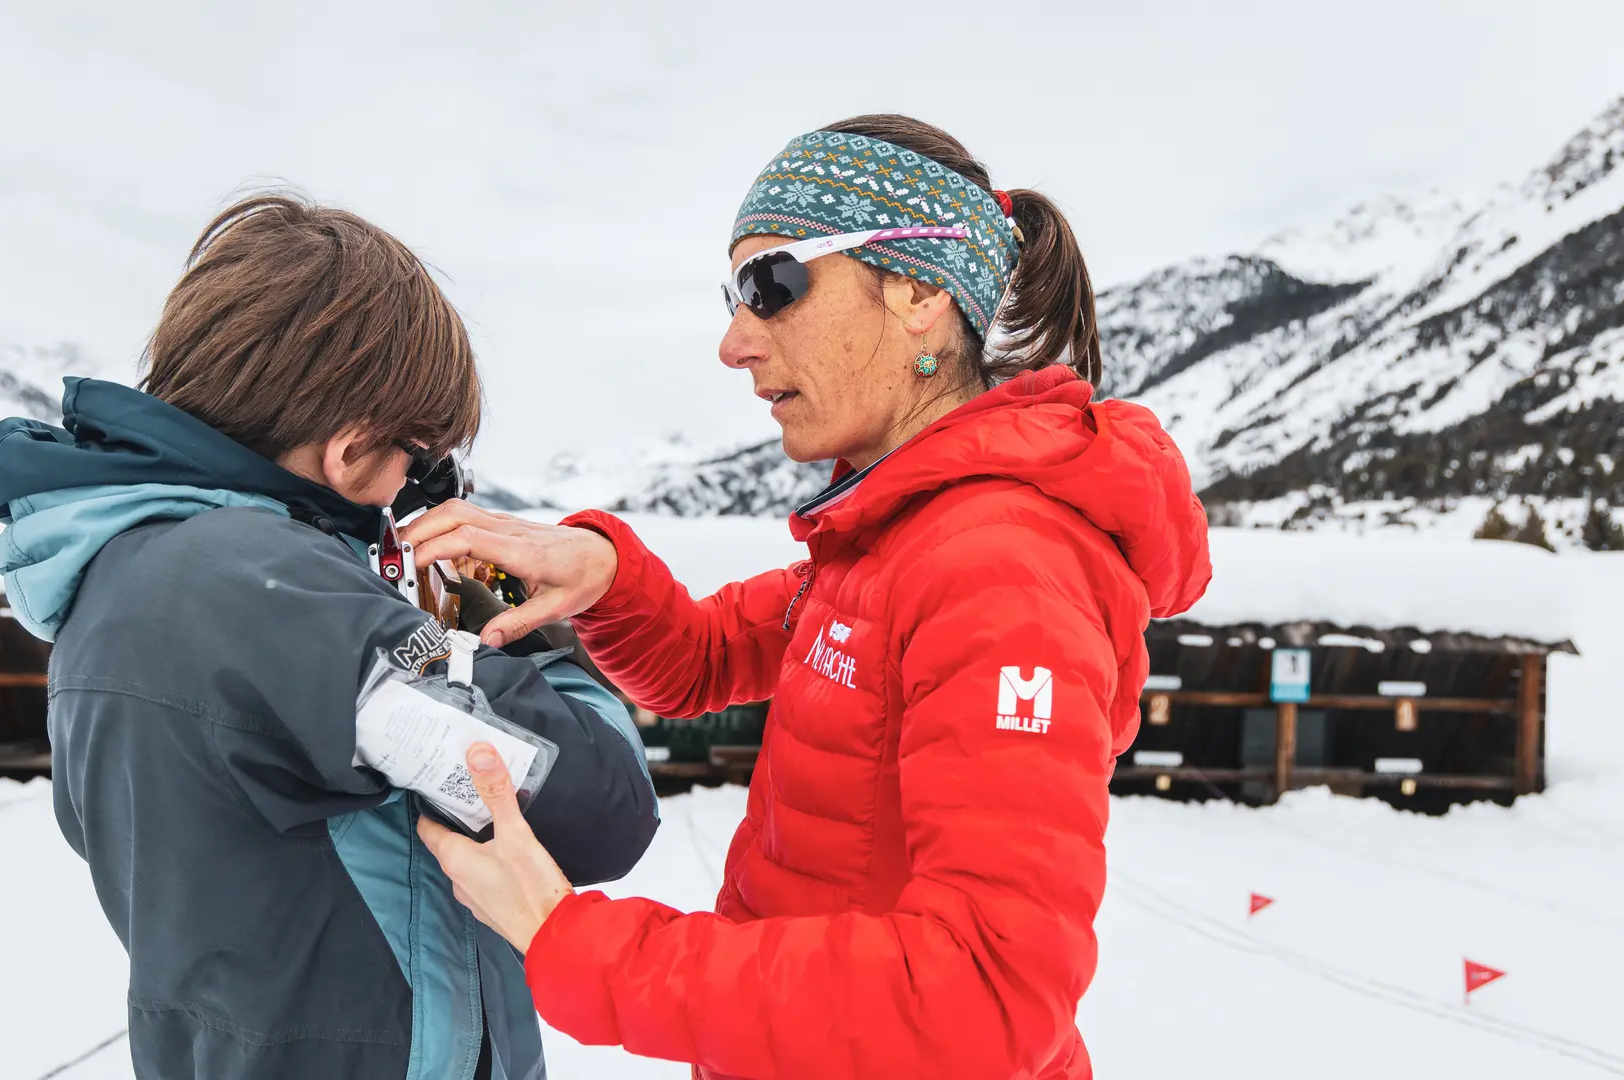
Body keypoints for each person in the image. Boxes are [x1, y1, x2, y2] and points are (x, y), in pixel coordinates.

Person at [404, 116, 1214, 1079]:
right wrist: (604, 574)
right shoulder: (889, 542)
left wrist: (576, 944)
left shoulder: (999, 565)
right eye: (732, 297)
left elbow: (986, 994)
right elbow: (701, 658)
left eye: (771, 285)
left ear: (917, 292)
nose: (733, 342)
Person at [0, 193, 659, 1080]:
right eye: (417, 458)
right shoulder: (275, 593)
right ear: (349, 449)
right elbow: (603, 806)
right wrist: (514, 616)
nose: (416, 488)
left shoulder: (117, 567)